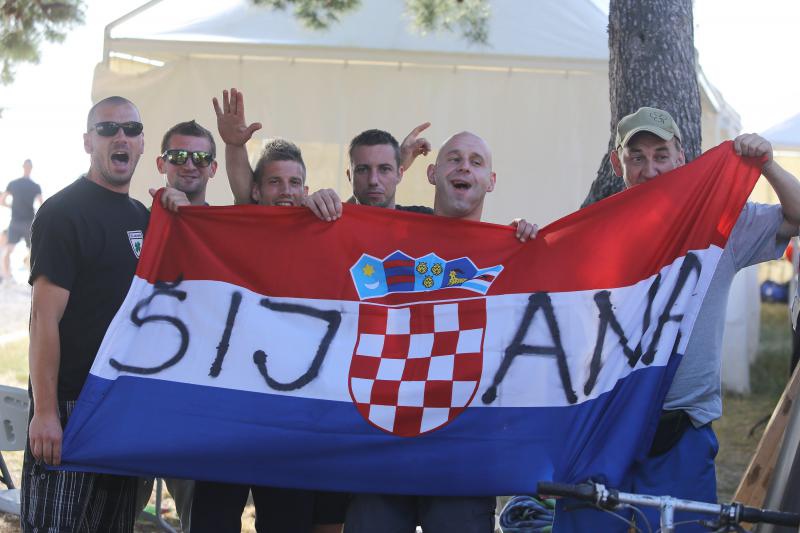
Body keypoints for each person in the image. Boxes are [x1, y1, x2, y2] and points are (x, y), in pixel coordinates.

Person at [553, 106, 800, 532]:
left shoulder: (722, 225)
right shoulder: (596, 230)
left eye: (661, 155)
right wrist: (523, 240)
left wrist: (768, 165)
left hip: (680, 426)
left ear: (681, 156)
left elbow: (797, 218)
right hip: (602, 422)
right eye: (637, 157)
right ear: (618, 163)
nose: (650, 169)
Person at [342, 131, 514, 533]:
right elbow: (353, 218)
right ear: (432, 173)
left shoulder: (512, 250)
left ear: (491, 180)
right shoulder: (397, 229)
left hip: (462, 458)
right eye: (454, 159)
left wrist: (529, 241)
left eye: (476, 161)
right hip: (381, 449)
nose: (464, 167)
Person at [21, 96, 149, 532]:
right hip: (72, 406)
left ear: (142, 143)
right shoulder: (63, 212)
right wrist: (46, 411)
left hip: (123, 406)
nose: (121, 137)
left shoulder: (143, 217)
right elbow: (43, 320)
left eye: (131, 130)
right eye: (108, 128)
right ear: (87, 141)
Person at [136, 119, 219, 532]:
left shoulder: (232, 227)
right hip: (139, 394)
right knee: (116, 510)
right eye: (179, 156)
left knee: (200, 519)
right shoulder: (139, 220)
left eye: (201, 157)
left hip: (199, 401)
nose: (190, 165)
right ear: (161, 163)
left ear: (214, 168)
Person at [1, 159, 42, 282]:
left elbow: (2, 201)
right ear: (30, 168)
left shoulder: (13, 183)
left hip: (20, 221)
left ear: (23, 167)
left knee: (9, 250)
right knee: (32, 251)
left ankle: (9, 277)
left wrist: (11, 206)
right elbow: (42, 204)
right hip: (28, 221)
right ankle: (28, 278)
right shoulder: (35, 186)